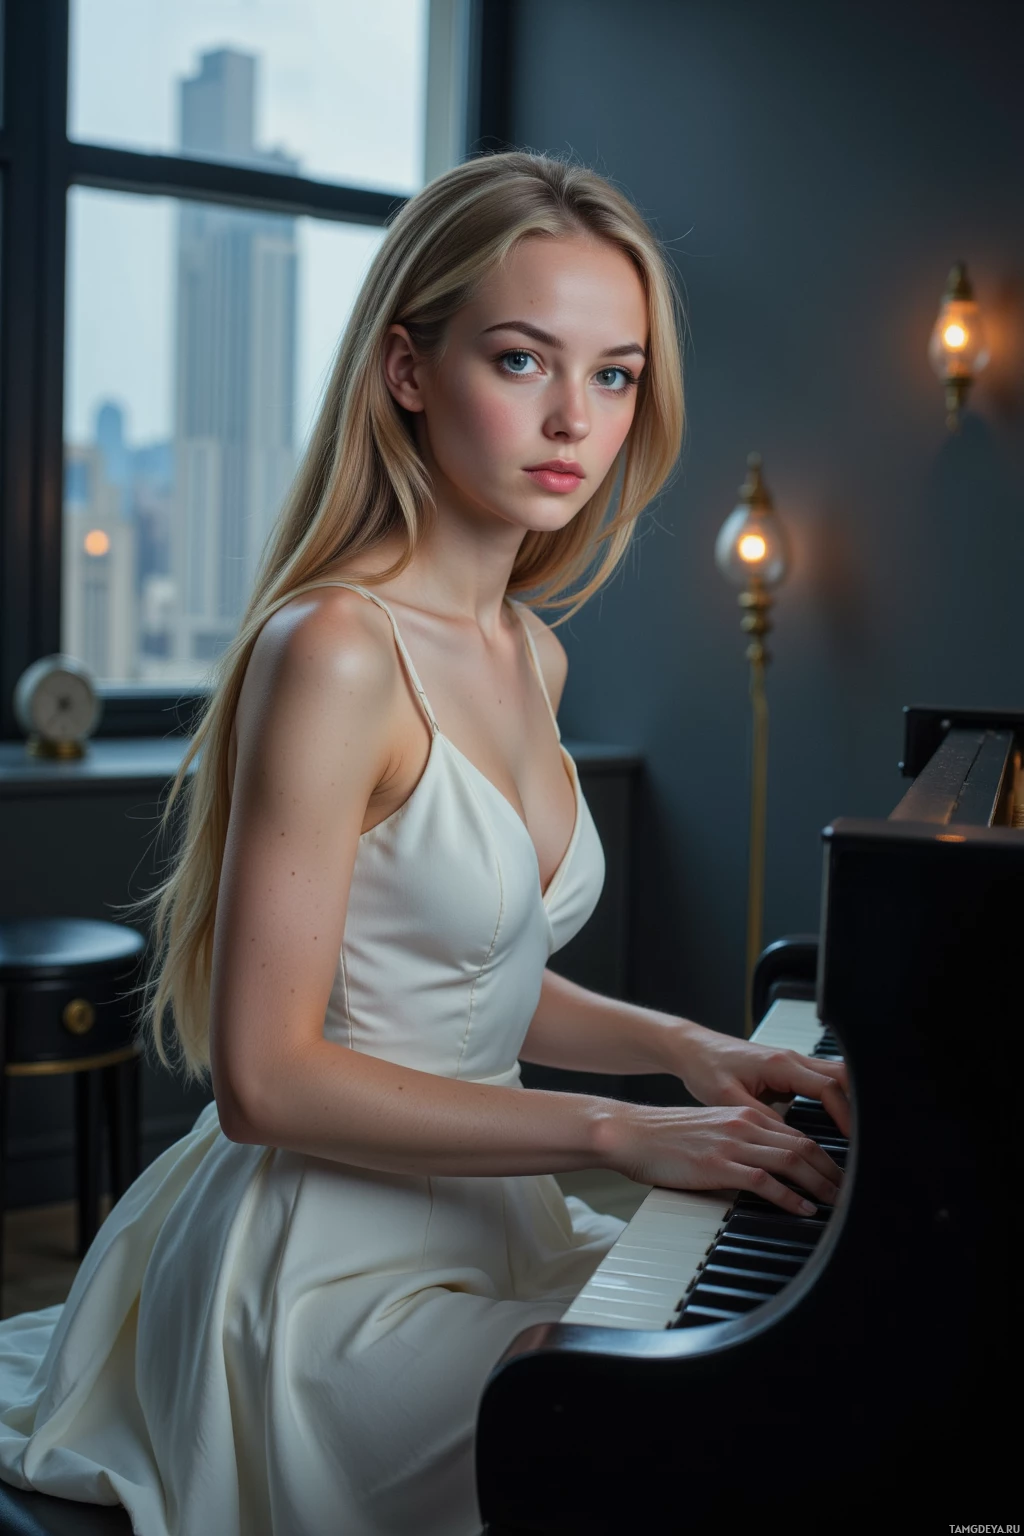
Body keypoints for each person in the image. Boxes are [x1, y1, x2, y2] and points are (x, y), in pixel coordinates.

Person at [0, 151, 848, 1536]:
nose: (577, 417)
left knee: (757, 1395)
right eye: (524, 361)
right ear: (407, 369)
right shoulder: (334, 649)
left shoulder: (531, 655)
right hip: (322, 1273)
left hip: (485, 1220)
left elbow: (459, 964)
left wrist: (692, 1046)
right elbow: (265, 1078)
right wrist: (619, 1128)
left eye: (616, 374)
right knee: (667, 1448)